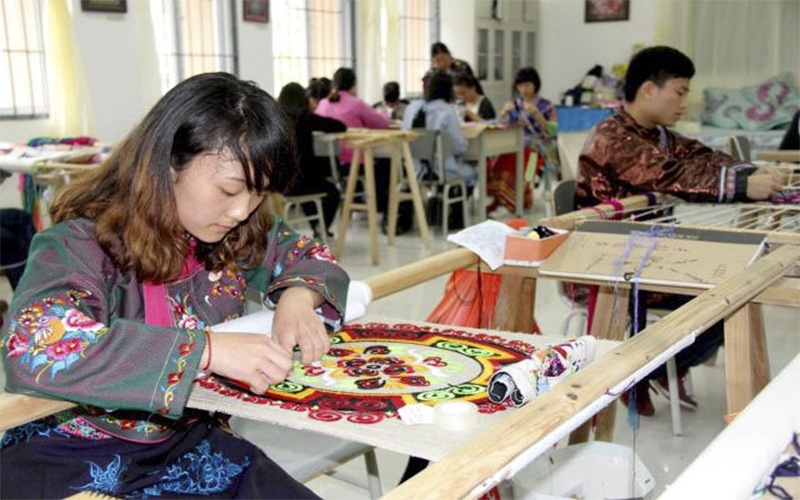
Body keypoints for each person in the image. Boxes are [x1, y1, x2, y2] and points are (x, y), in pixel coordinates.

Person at [0, 72, 349, 498]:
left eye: (258, 193)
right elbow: (35, 343)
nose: (242, 210)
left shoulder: (233, 233)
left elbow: (312, 257)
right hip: (72, 452)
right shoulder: (79, 245)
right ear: (167, 164)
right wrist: (207, 350)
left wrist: (298, 295)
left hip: (189, 446)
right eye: (229, 189)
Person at [576, 46, 785, 416]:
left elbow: (700, 157)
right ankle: (649, 371)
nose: (685, 101)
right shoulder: (614, 136)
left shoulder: (658, 135)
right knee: (727, 300)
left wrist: (750, 172)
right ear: (648, 90)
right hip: (609, 266)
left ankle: (664, 367)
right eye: (680, 90)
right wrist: (740, 185)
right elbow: (671, 175)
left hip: (649, 255)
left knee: (736, 289)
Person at [278, 82, 346, 239]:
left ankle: (318, 227)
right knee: (332, 192)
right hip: (303, 182)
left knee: (309, 190)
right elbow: (340, 126)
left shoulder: (276, 121)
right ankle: (321, 228)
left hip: (280, 185)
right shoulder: (306, 119)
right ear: (304, 100)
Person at [491, 67, 559, 214]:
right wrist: (503, 113)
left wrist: (537, 114)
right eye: (520, 86)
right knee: (500, 156)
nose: (523, 89)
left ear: (535, 85)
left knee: (528, 158)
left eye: (527, 85)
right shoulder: (514, 104)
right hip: (514, 144)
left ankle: (521, 197)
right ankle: (502, 198)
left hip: (538, 146)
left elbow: (552, 131)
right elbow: (502, 125)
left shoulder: (546, 105)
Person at [402, 72, 474, 186]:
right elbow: (459, 147)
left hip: (415, 171)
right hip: (444, 172)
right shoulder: (446, 111)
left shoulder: (411, 108)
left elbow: (405, 137)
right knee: (474, 172)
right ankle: (458, 202)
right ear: (449, 90)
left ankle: (438, 198)